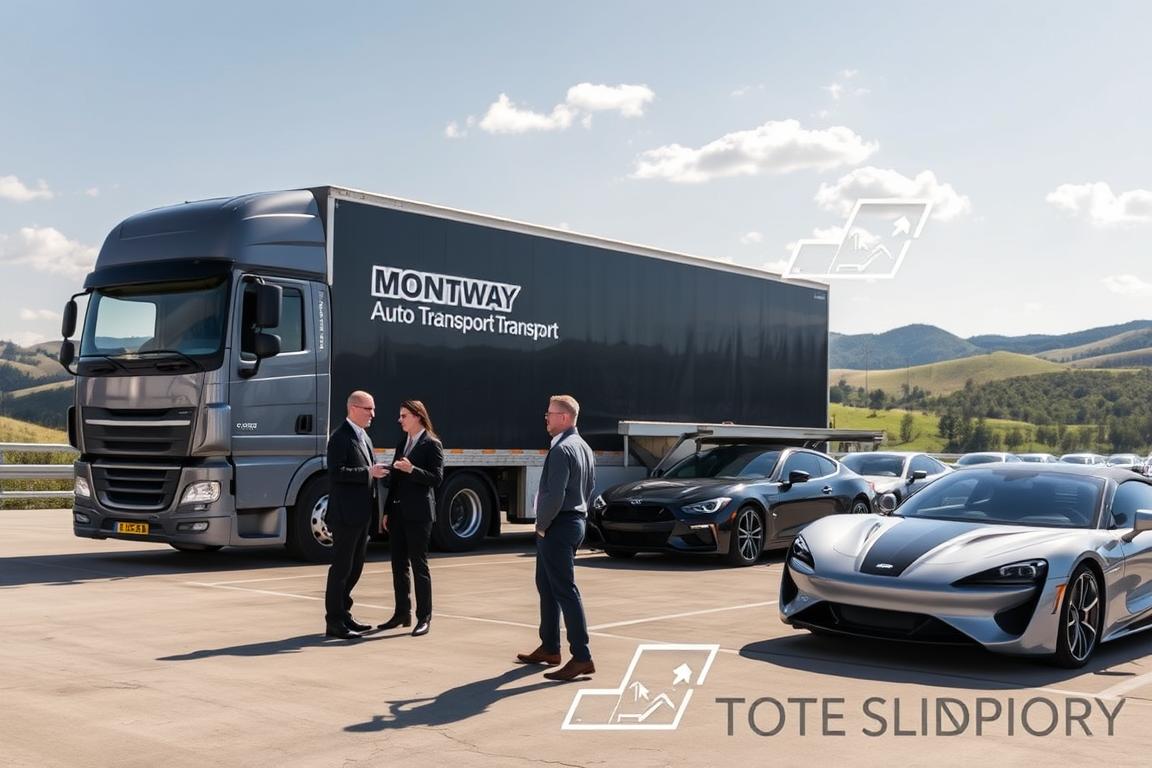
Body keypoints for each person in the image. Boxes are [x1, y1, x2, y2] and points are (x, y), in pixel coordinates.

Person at [517, 395, 597, 681]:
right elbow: (590, 486)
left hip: (559, 525)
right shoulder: (583, 447)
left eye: (549, 414)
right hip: (573, 521)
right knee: (547, 585)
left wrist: (541, 525)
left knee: (564, 590)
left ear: (564, 417)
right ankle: (550, 647)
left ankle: (582, 657)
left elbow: (555, 495)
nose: (546, 419)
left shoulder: (562, 449)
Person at [324, 391, 388, 639]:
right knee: (341, 568)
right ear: (353, 409)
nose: (373, 414)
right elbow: (336, 472)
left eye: (373, 409)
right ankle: (334, 621)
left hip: (361, 515)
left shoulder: (364, 437)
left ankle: (345, 613)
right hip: (345, 516)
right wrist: (368, 472)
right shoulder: (340, 437)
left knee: (355, 567)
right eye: (368, 409)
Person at [377, 400, 444, 637]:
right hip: (398, 513)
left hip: (419, 514)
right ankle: (401, 613)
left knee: (419, 565)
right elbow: (396, 481)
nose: (400, 420)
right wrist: (387, 510)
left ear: (417, 416)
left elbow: (436, 478)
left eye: (404, 415)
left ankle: (424, 617)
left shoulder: (432, 444)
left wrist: (412, 470)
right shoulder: (403, 442)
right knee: (398, 565)